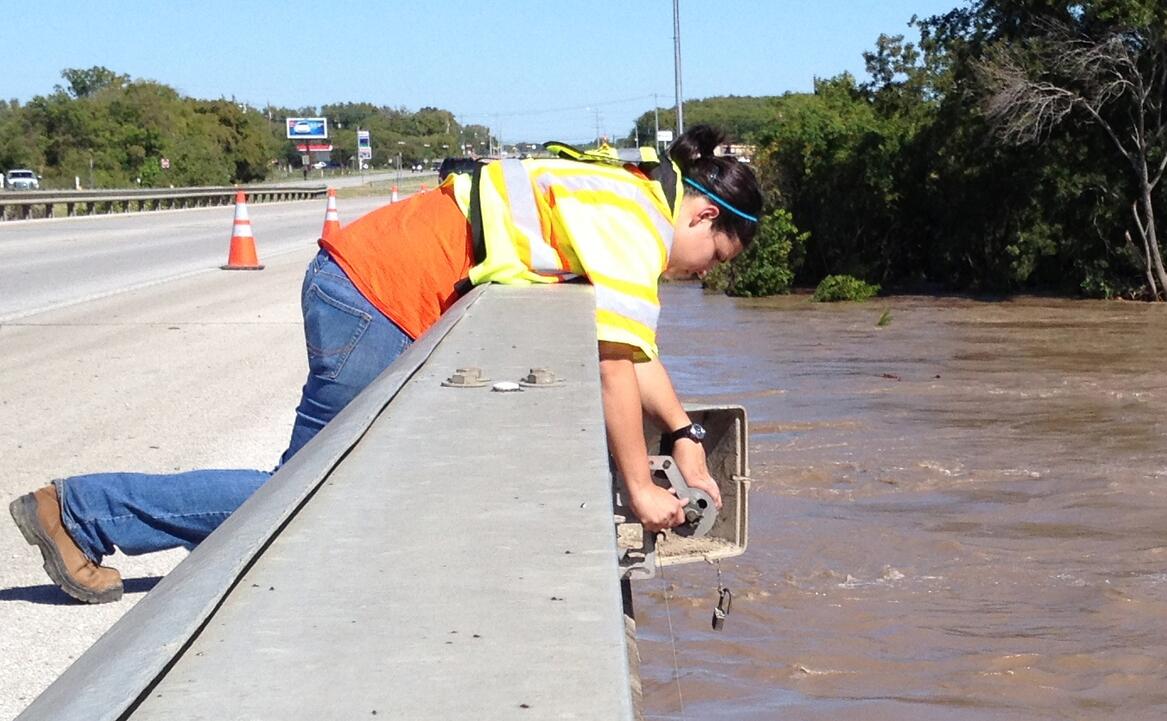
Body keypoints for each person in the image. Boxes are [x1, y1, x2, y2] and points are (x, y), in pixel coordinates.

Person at [7, 125, 763, 604]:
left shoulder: (624, 195)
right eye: (711, 258)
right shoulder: (635, 226)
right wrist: (639, 485)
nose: (696, 275)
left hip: (370, 287)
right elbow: (611, 364)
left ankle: (85, 511)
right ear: (700, 214)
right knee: (300, 500)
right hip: (374, 296)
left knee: (319, 495)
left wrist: (685, 432)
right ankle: (79, 512)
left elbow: (635, 350)